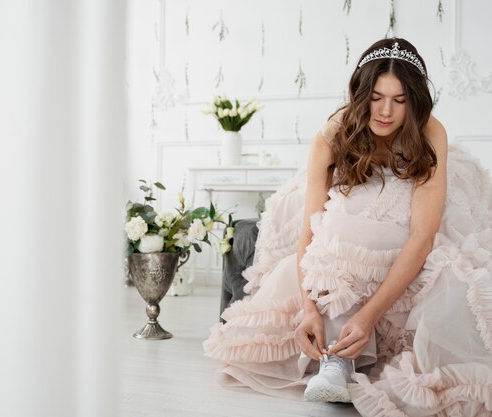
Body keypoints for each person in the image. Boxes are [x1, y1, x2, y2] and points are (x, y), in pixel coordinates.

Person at [203, 38, 492, 416]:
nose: (386, 111)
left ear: (415, 102)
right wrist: (308, 310)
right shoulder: (333, 135)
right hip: (351, 190)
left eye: (400, 100)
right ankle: (336, 358)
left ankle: (357, 345)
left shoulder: (429, 132)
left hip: (416, 194)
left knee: (447, 269)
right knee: (343, 225)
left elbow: (423, 236)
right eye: (376, 97)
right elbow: (310, 231)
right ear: (360, 93)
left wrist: (369, 315)